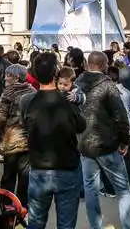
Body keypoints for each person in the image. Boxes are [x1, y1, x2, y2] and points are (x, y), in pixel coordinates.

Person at [22, 51, 86, 229]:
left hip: (39, 169)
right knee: (66, 224)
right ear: (55, 73)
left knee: (35, 223)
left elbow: (25, 127)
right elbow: (81, 125)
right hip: (67, 168)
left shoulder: (27, 102)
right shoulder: (67, 101)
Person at [76, 51, 130, 229]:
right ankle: (129, 226)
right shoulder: (108, 86)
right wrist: (124, 140)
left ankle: (96, 226)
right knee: (123, 189)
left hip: (86, 143)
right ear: (103, 65)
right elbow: (120, 116)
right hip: (106, 143)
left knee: (91, 190)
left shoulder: (77, 85)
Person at [0, 64, 36, 207]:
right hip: (29, 140)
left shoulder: (8, 93)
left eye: (7, 75)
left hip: (12, 139)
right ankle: (22, 208)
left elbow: (0, 118)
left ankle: (6, 206)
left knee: (9, 176)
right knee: (25, 177)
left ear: (15, 77)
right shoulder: (33, 91)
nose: (5, 78)